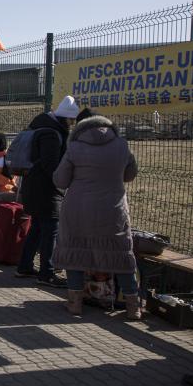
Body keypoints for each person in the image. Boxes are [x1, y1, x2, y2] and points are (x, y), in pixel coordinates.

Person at [52, 111, 140, 319]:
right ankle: (133, 306)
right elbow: (130, 175)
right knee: (121, 255)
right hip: (113, 210)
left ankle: (75, 303)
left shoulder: (74, 147)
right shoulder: (121, 145)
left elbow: (60, 180)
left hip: (78, 210)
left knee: (76, 252)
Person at [15, 95, 80, 287]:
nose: (72, 124)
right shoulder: (51, 134)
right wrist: (63, 180)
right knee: (50, 228)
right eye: (71, 120)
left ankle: (24, 266)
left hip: (33, 185)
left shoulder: (40, 126)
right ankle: (47, 273)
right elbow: (50, 164)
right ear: (66, 118)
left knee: (36, 227)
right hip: (47, 189)